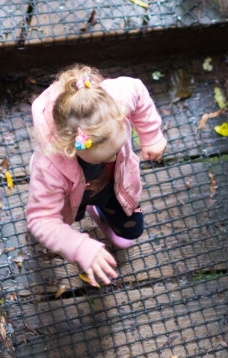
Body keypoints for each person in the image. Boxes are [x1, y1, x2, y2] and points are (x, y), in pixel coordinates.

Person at [26, 64, 167, 287]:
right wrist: (81, 247)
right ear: (74, 149)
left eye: (118, 148)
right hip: (71, 197)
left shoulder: (113, 101)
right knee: (73, 216)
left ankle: (101, 212)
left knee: (134, 228)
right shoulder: (49, 168)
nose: (114, 159)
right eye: (107, 156)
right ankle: (87, 209)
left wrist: (151, 136)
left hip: (116, 184)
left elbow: (138, 91)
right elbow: (40, 218)